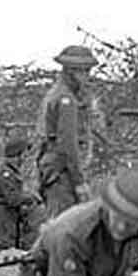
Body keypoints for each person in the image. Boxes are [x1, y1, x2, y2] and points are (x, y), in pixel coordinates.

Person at [35, 44, 97, 219]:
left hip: (56, 168)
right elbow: (67, 144)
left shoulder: (58, 94)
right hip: (62, 172)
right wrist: (79, 182)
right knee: (62, 229)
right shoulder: (66, 100)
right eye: (85, 72)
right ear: (72, 72)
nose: (87, 77)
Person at [0, 133, 40, 251]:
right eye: (24, 153)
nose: (26, 157)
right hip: (3, 220)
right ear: (17, 154)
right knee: (2, 250)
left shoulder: (11, 171)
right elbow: (13, 199)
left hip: (10, 219)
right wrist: (31, 197)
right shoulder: (4, 173)